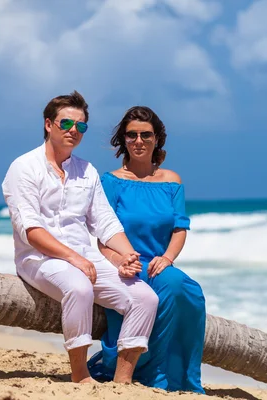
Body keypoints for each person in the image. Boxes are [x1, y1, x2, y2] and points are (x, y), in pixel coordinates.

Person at [1, 91, 159, 385]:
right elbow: (31, 231)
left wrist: (126, 256)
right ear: (49, 124)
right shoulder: (23, 167)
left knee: (145, 298)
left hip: (85, 257)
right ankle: (80, 376)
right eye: (66, 124)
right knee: (79, 287)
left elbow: (106, 222)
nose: (73, 130)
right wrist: (74, 258)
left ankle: (121, 380)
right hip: (38, 258)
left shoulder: (86, 171)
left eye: (81, 126)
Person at [87, 106, 206, 393]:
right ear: (123, 140)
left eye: (145, 135)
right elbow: (103, 236)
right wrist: (119, 261)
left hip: (159, 264)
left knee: (183, 289)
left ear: (157, 139)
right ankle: (146, 374)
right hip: (125, 268)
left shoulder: (171, 181)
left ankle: (176, 378)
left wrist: (167, 258)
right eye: (131, 135)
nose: (138, 141)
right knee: (141, 298)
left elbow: (180, 228)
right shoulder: (110, 182)